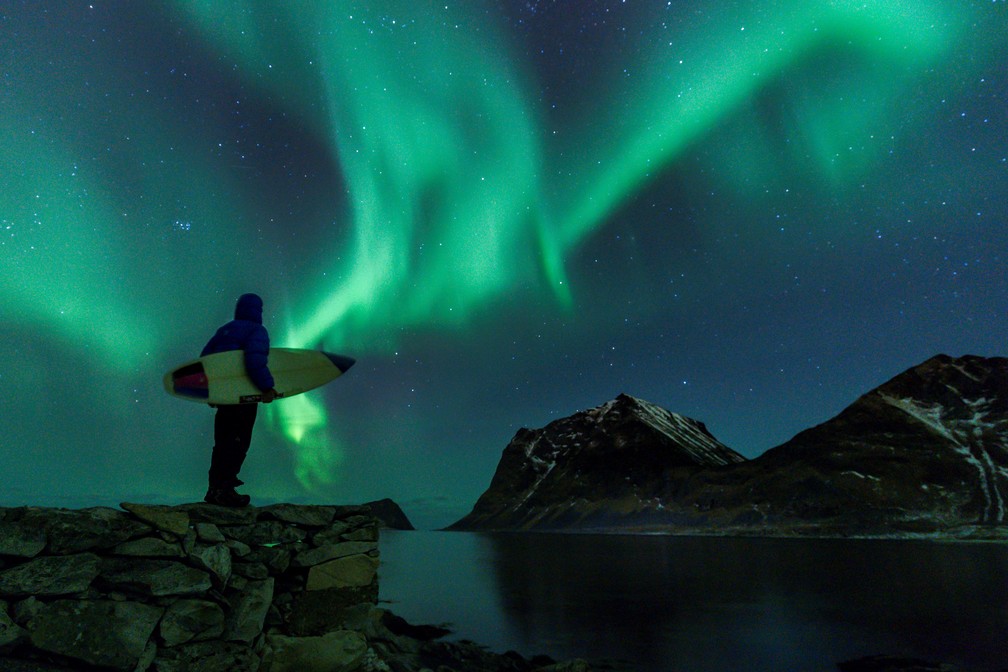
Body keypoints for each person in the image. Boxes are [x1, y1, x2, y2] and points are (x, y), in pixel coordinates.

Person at [201, 293, 278, 507]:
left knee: (222, 442)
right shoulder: (256, 330)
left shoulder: (224, 331)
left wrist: (212, 391)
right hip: (244, 397)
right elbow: (254, 359)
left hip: (226, 398)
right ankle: (225, 490)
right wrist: (266, 387)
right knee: (238, 441)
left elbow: (206, 360)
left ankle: (214, 488)